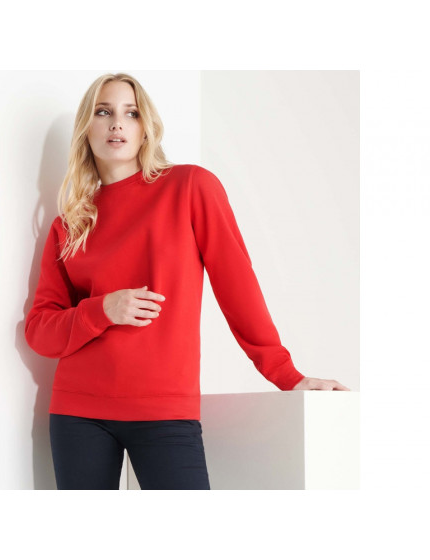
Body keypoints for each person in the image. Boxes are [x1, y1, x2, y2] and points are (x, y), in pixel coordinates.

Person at [24, 72, 350, 490]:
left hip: (165, 411)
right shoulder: (69, 225)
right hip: (78, 413)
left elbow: (238, 287)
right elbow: (40, 331)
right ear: (87, 127)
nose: (117, 123)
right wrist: (101, 309)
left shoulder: (191, 187)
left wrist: (286, 374)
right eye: (103, 112)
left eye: (131, 113)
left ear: (146, 128)